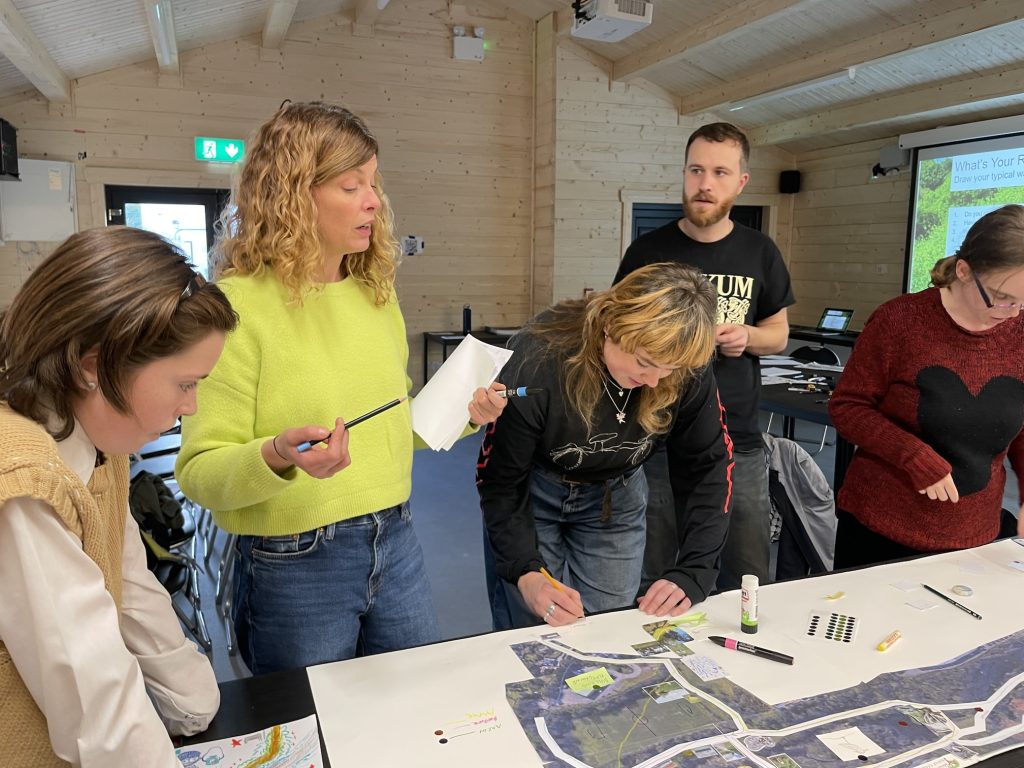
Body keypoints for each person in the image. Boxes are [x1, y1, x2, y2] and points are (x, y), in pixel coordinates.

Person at [175, 101, 506, 675]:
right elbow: (201, 472)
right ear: (294, 195)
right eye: (351, 186)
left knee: (412, 709)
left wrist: (465, 413)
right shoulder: (235, 306)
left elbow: (389, 423)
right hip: (295, 560)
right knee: (316, 733)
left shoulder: (374, 294)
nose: (374, 202)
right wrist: (277, 456)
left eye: (372, 183)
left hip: (396, 536)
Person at [0, 226, 236, 766]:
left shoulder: (102, 441)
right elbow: (93, 697)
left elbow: (127, 579)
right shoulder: (23, 481)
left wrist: (192, 701)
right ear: (93, 365)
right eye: (184, 384)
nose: (191, 407)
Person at [477, 263, 734, 628]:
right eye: (644, 363)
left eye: (669, 369)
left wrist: (695, 569)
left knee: (607, 629)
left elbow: (707, 466)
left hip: (617, 495)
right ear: (611, 326)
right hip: (535, 491)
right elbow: (500, 478)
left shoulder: (682, 364)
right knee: (532, 626)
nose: (654, 379)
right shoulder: (539, 355)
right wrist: (525, 571)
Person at [614, 122, 794, 592]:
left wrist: (748, 336)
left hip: (737, 439)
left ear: (741, 181)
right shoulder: (647, 251)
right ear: (684, 174)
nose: (705, 184)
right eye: (696, 170)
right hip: (654, 436)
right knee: (654, 572)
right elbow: (614, 333)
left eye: (719, 172)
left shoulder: (761, 252)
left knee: (747, 572)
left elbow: (779, 336)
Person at [829, 204, 1024, 568]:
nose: (1012, 313)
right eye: (1001, 298)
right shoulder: (899, 321)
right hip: (881, 528)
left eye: (1022, 302)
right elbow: (847, 407)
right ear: (964, 271)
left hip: (974, 535)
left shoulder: (1020, 330)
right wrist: (911, 454)